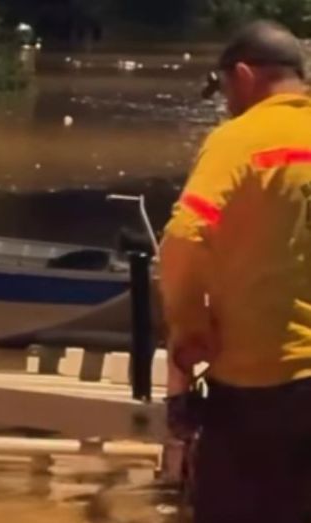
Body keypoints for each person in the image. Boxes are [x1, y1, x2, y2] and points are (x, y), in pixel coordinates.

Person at [160, 20, 311, 523]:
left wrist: (188, 327)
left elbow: (184, 236)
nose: (226, 100)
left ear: (243, 75)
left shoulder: (239, 141)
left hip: (257, 383)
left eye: (226, 87)